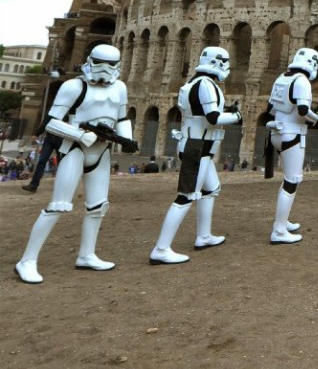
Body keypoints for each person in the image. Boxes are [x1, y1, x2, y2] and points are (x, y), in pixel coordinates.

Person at [15, 45, 135, 284]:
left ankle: (87, 254)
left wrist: (126, 138)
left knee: (98, 206)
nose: (104, 69)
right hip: (75, 149)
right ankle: (27, 260)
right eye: (99, 62)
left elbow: (121, 117)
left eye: (110, 64)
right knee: (58, 205)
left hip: (102, 151)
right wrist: (79, 135)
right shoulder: (74, 86)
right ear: (90, 60)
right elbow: (50, 123)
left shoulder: (120, 87)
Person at [149, 47, 241, 264]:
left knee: (211, 189)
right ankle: (161, 249)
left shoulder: (195, 83)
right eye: (225, 63)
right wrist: (235, 115)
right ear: (217, 63)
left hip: (201, 146)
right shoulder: (205, 85)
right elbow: (212, 117)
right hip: (197, 147)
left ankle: (204, 236)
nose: (227, 68)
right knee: (186, 196)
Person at [266, 48, 318, 244]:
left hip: (277, 132)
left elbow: (270, 109)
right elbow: (303, 110)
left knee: (288, 180)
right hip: (293, 134)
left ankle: (283, 221)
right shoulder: (302, 81)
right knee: (292, 181)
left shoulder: (282, 78)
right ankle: (279, 230)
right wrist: (315, 117)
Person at [21, 128, 63, 193]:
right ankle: (33, 185)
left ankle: (62, 186)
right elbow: (45, 121)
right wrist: (36, 134)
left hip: (62, 139)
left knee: (62, 164)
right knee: (42, 161)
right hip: (49, 138)